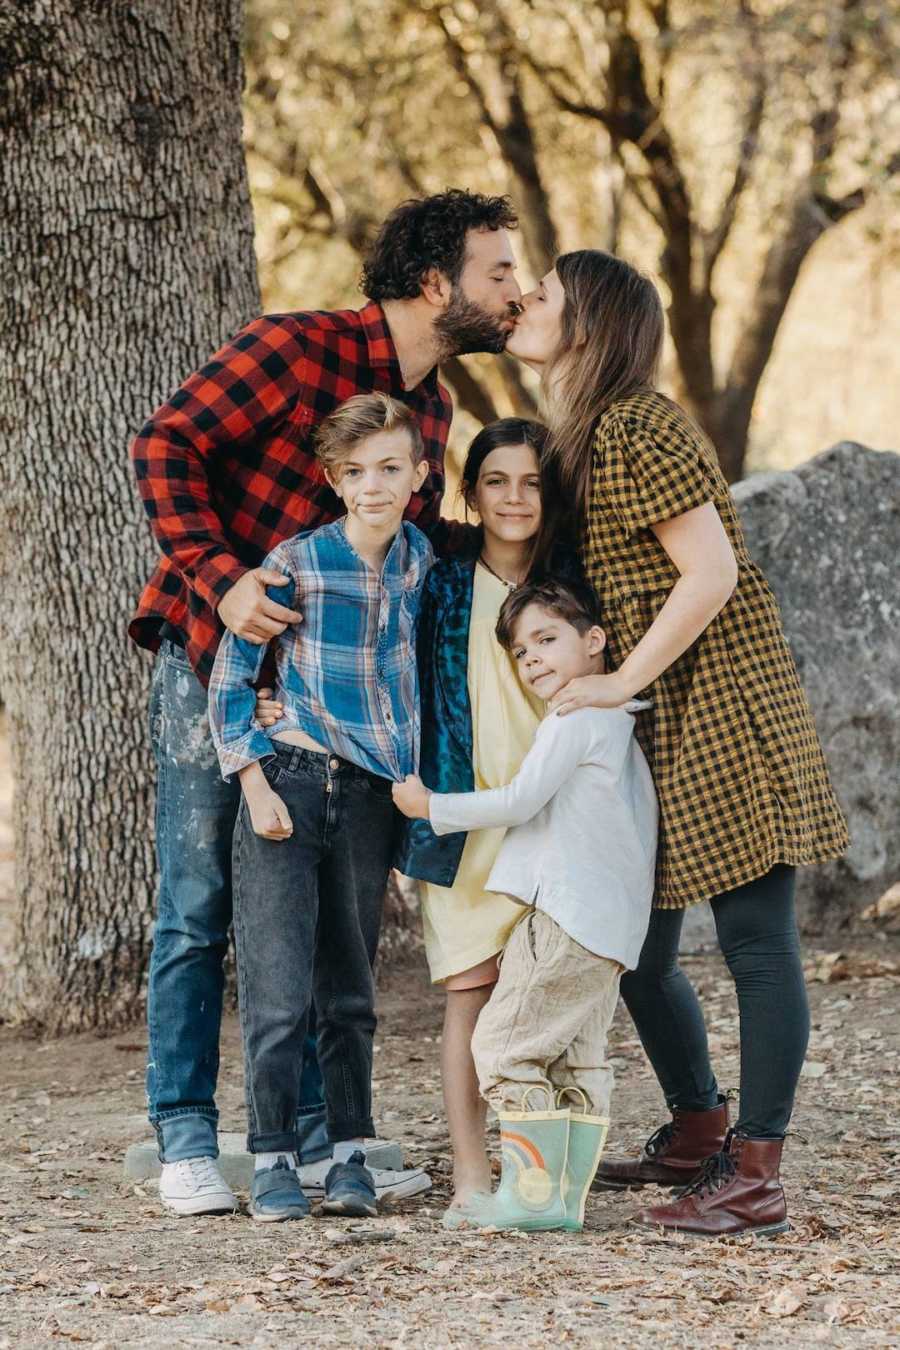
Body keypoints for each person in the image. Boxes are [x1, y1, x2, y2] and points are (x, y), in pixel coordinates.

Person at [128, 189, 521, 1215]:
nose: (515, 293)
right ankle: (183, 1131)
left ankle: (307, 1134)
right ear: (436, 283)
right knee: (199, 904)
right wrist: (225, 576)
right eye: (499, 272)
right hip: (216, 655)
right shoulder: (295, 350)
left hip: (330, 722)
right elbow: (164, 444)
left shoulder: (429, 409)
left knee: (305, 921)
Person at [503, 250, 849, 1237]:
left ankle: (757, 1172)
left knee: (754, 939)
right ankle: (700, 1126)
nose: (526, 303)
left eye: (547, 295)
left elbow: (709, 575)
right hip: (668, 723)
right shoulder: (587, 436)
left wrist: (614, 680)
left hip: (729, 709)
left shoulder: (638, 426)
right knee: (639, 947)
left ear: (594, 322)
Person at [208, 393, 433, 1221]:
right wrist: (257, 783)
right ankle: (270, 1158)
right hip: (292, 787)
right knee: (278, 989)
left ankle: (347, 1157)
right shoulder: (296, 563)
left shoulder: (419, 563)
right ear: (335, 481)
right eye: (356, 473)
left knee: (350, 992)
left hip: (373, 800)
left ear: (418, 474)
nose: (373, 486)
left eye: (389, 469)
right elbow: (233, 679)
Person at [393, 578, 657, 1233]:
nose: (533, 657)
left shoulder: (575, 717)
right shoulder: (621, 724)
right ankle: (563, 1200)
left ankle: (530, 1197)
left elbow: (518, 801)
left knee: (506, 1045)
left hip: (568, 916)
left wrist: (432, 808)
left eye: (547, 639)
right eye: (520, 650)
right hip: (613, 928)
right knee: (577, 1057)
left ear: (594, 643)